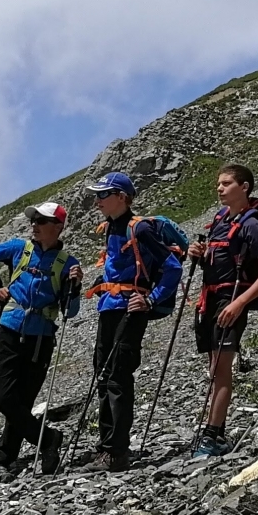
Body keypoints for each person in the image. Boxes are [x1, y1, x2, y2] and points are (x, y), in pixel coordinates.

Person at [0, 203, 82, 479]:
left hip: (41, 338)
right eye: (33, 220)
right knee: (4, 397)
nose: (33, 225)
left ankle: (2, 459)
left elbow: (71, 311)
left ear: (57, 227)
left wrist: (75, 287)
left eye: (41, 221)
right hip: (10, 328)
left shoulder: (68, 264)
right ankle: (48, 440)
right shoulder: (19, 248)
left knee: (21, 402)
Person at [83, 171, 183, 471]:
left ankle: (116, 452)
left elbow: (172, 266)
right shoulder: (112, 228)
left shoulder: (138, 230)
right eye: (96, 195)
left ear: (122, 197)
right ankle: (107, 446)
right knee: (104, 373)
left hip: (130, 309)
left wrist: (150, 299)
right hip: (110, 307)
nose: (97, 200)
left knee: (118, 377)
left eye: (103, 195)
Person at [190, 163, 258, 458]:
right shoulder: (220, 219)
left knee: (220, 368)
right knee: (214, 367)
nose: (220, 188)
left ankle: (213, 435)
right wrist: (199, 254)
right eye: (219, 183)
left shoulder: (251, 225)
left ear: (244, 187)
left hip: (231, 300)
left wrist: (239, 303)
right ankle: (213, 432)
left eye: (227, 183)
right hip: (212, 299)